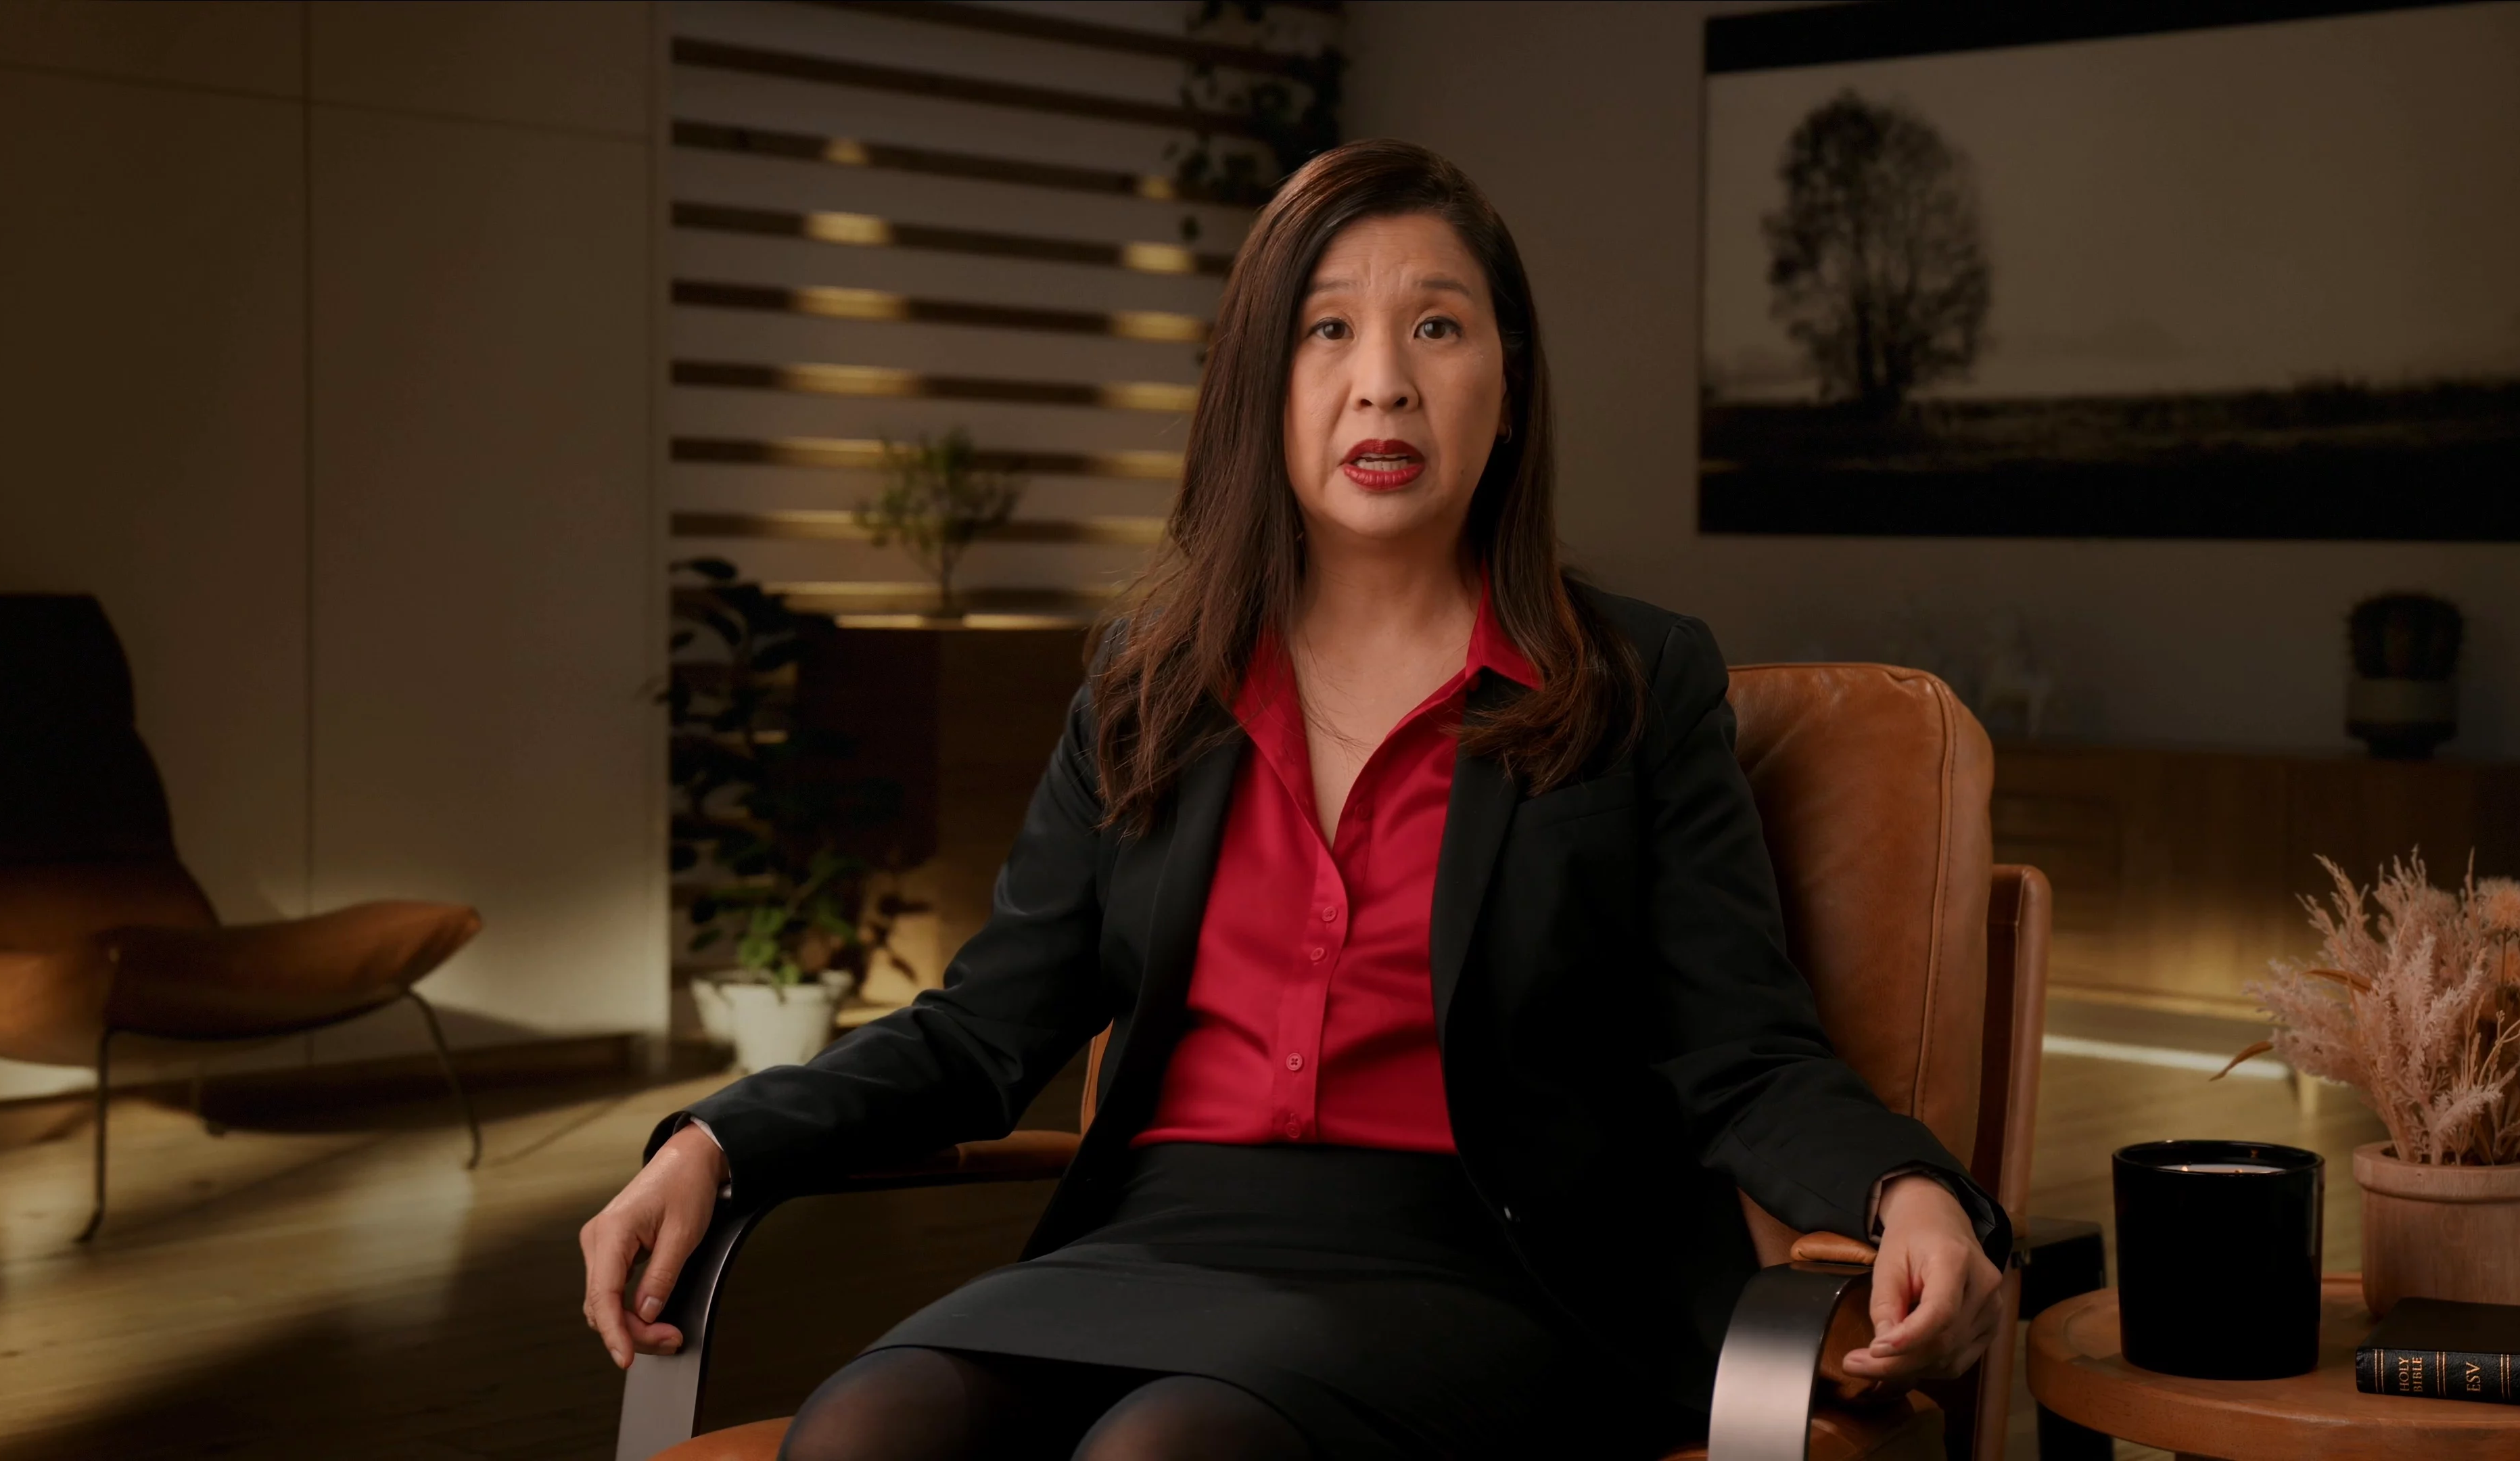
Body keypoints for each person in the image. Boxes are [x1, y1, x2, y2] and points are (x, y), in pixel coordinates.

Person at [580, 139, 2008, 1461]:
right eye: (1327, 330)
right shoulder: (1148, 687)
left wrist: (1911, 1190)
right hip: (1153, 1241)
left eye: (1436, 327)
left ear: (1510, 386)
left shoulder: (1632, 685)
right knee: (866, 1430)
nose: (1382, 382)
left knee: (1168, 1451)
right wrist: (718, 1140)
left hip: (1486, 1260)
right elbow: (979, 1030)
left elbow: (1742, 1051)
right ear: (1258, 385)